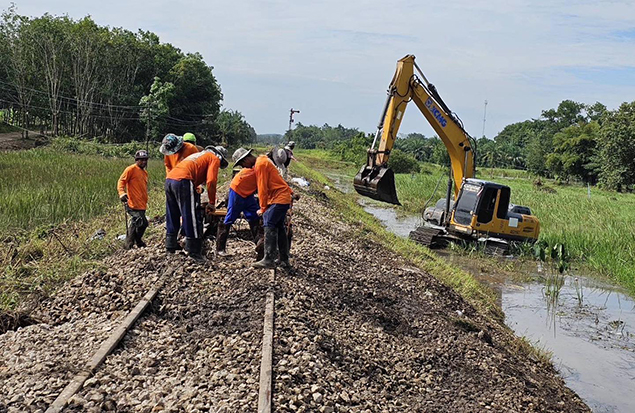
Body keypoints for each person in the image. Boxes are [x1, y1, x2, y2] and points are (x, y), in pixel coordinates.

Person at [165, 146, 228, 260]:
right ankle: (193, 251)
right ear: (220, 157)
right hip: (183, 180)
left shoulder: (199, 155)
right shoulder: (213, 158)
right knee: (190, 215)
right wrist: (212, 202)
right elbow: (211, 181)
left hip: (170, 180)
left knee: (172, 213)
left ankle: (170, 244)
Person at [216, 148, 262, 256]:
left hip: (248, 193)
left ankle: (260, 245)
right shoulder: (256, 165)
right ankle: (220, 248)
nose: (243, 167)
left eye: (242, 164)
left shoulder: (259, 164)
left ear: (246, 159)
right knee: (230, 217)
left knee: (254, 216)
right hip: (237, 191)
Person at [252, 151, 294, 269]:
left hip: (279, 199)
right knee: (280, 228)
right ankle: (284, 259)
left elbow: (262, 188)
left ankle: (268, 259)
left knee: (269, 223)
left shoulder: (261, 163)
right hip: (282, 199)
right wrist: (290, 192)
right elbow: (280, 182)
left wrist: (263, 208)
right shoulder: (265, 162)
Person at [117, 150, 149, 250]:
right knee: (141, 222)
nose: (144, 162)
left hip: (141, 204)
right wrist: (122, 193)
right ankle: (135, 242)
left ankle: (130, 244)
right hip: (131, 203)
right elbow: (121, 182)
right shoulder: (130, 169)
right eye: (141, 160)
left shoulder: (144, 173)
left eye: (145, 160)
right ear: (136, 160)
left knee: (138, 223)